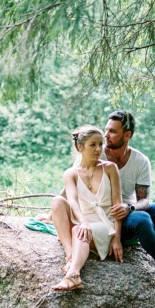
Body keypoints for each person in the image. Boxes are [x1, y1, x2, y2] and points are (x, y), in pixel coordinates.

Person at [52, 111, 155, 295]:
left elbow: (144, 199)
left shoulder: (140, 160)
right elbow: (73, 186)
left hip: (129, 211)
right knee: (142, 219)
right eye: (106, 130)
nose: (105, 136)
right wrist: (54, 213)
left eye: (112, 131)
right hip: (110, 215)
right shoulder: (94, 152)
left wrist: (129, 207)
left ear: (127, 135)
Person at [51, 125, 123, 291]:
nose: (98, 149)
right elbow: (73, 201)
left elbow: (117, 205)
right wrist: (83, 221)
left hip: (103, 224)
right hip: (82, 220)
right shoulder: (71, 173)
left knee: (79, 230)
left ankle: (73, 275)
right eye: (93, 145)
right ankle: (70, 255)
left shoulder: (110, 169)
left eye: (100, 144)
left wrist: (117, 238)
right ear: (80, 147)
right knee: (57, 201)